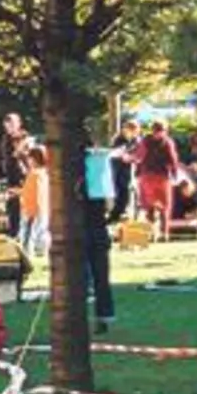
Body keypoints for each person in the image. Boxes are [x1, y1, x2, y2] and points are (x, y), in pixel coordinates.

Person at [81, 138, 117, 333]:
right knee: (102, 276)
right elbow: (110, 205)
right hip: (99, 230)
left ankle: (81, 318)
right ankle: (105, 315)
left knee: (82, 278)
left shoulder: (76, 172)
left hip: (81, 231)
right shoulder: (101, 169)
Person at [0, 114, 31, 238]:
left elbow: (27, 157)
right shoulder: (0, 138)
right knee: (3, 206)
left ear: (19, 123)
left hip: (19, 176)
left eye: (12, 123)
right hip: (2, 176)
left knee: (18, 205)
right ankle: (7, 232)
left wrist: (21, 156)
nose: (9, 126)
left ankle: (18, 233)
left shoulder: (24, 138)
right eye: (7, 123)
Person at [132, 121, 180, 233]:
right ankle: (163, 232)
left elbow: (139, 157)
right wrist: (174, 173)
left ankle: (152, 232)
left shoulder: (145, 141)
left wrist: (137, 173)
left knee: (150, 205)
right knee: (165, 205)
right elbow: (173, 159)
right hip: (161, 176)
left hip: (147, 176)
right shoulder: (167, 142)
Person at [109, 119, 142, 224]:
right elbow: (113, 153)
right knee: (119, 190)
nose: (132, 134)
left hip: (130, 169)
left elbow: (139, 153)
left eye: (134, 132)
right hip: (118, 168)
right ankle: (116, 214)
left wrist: (132, 157)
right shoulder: (118, 139)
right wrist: (123, 154)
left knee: (127, 191)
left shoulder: (136, 140)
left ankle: (123, 213)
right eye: (130, 131)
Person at [20, 147, 51, 257]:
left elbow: (34, 192)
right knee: (41, 230)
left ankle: (28, 252)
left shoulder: (35, 174)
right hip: (42, 207)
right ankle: (42, 250)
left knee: (29, 232)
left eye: (30, 158)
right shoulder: (44, 173)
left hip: (32, 208)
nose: (28, 161)